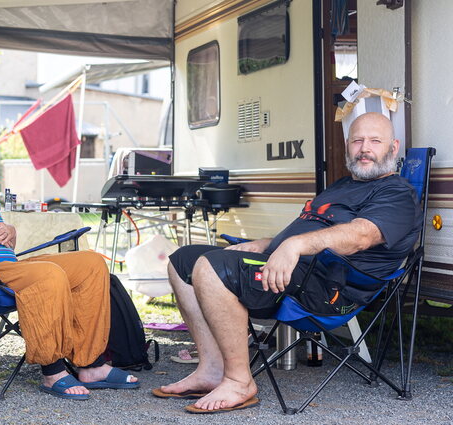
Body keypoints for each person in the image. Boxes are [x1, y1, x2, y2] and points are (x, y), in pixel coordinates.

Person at [153, 112, 422, 413]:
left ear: (393, 147)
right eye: (357, 140)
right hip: (294, 271)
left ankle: (239, 381)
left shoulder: (397, 193)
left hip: (328, 289)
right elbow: (305, 230)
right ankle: (211, 370)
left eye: (375, 141)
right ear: (347, 146)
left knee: (211, 268)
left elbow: (360, 235)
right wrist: (266, 244)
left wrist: (294, 246)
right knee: (183, 260)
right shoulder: (341, 186)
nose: (364, 148)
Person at [0, 126, 138, 401]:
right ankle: (52, 370)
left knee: (91, 264)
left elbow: (1, 240)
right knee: (47, 275)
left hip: (4, 269)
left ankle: (90, 365)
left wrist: (10, 232)